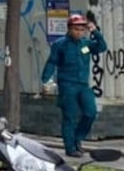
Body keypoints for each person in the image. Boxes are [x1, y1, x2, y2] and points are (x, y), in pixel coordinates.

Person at [41, 14, 108, 158]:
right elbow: (52, 62)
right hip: (67, 85)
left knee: (90, 112)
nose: (80, 32)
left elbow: (102, 47)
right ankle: (70, 148)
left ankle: (78, 138)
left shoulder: (86, 44)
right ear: (70, 29)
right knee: (69, 117)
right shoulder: (60, 44)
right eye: (77, 29)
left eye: (82, 29)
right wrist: (46, 80)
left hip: (83, 85)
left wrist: (95, 31)